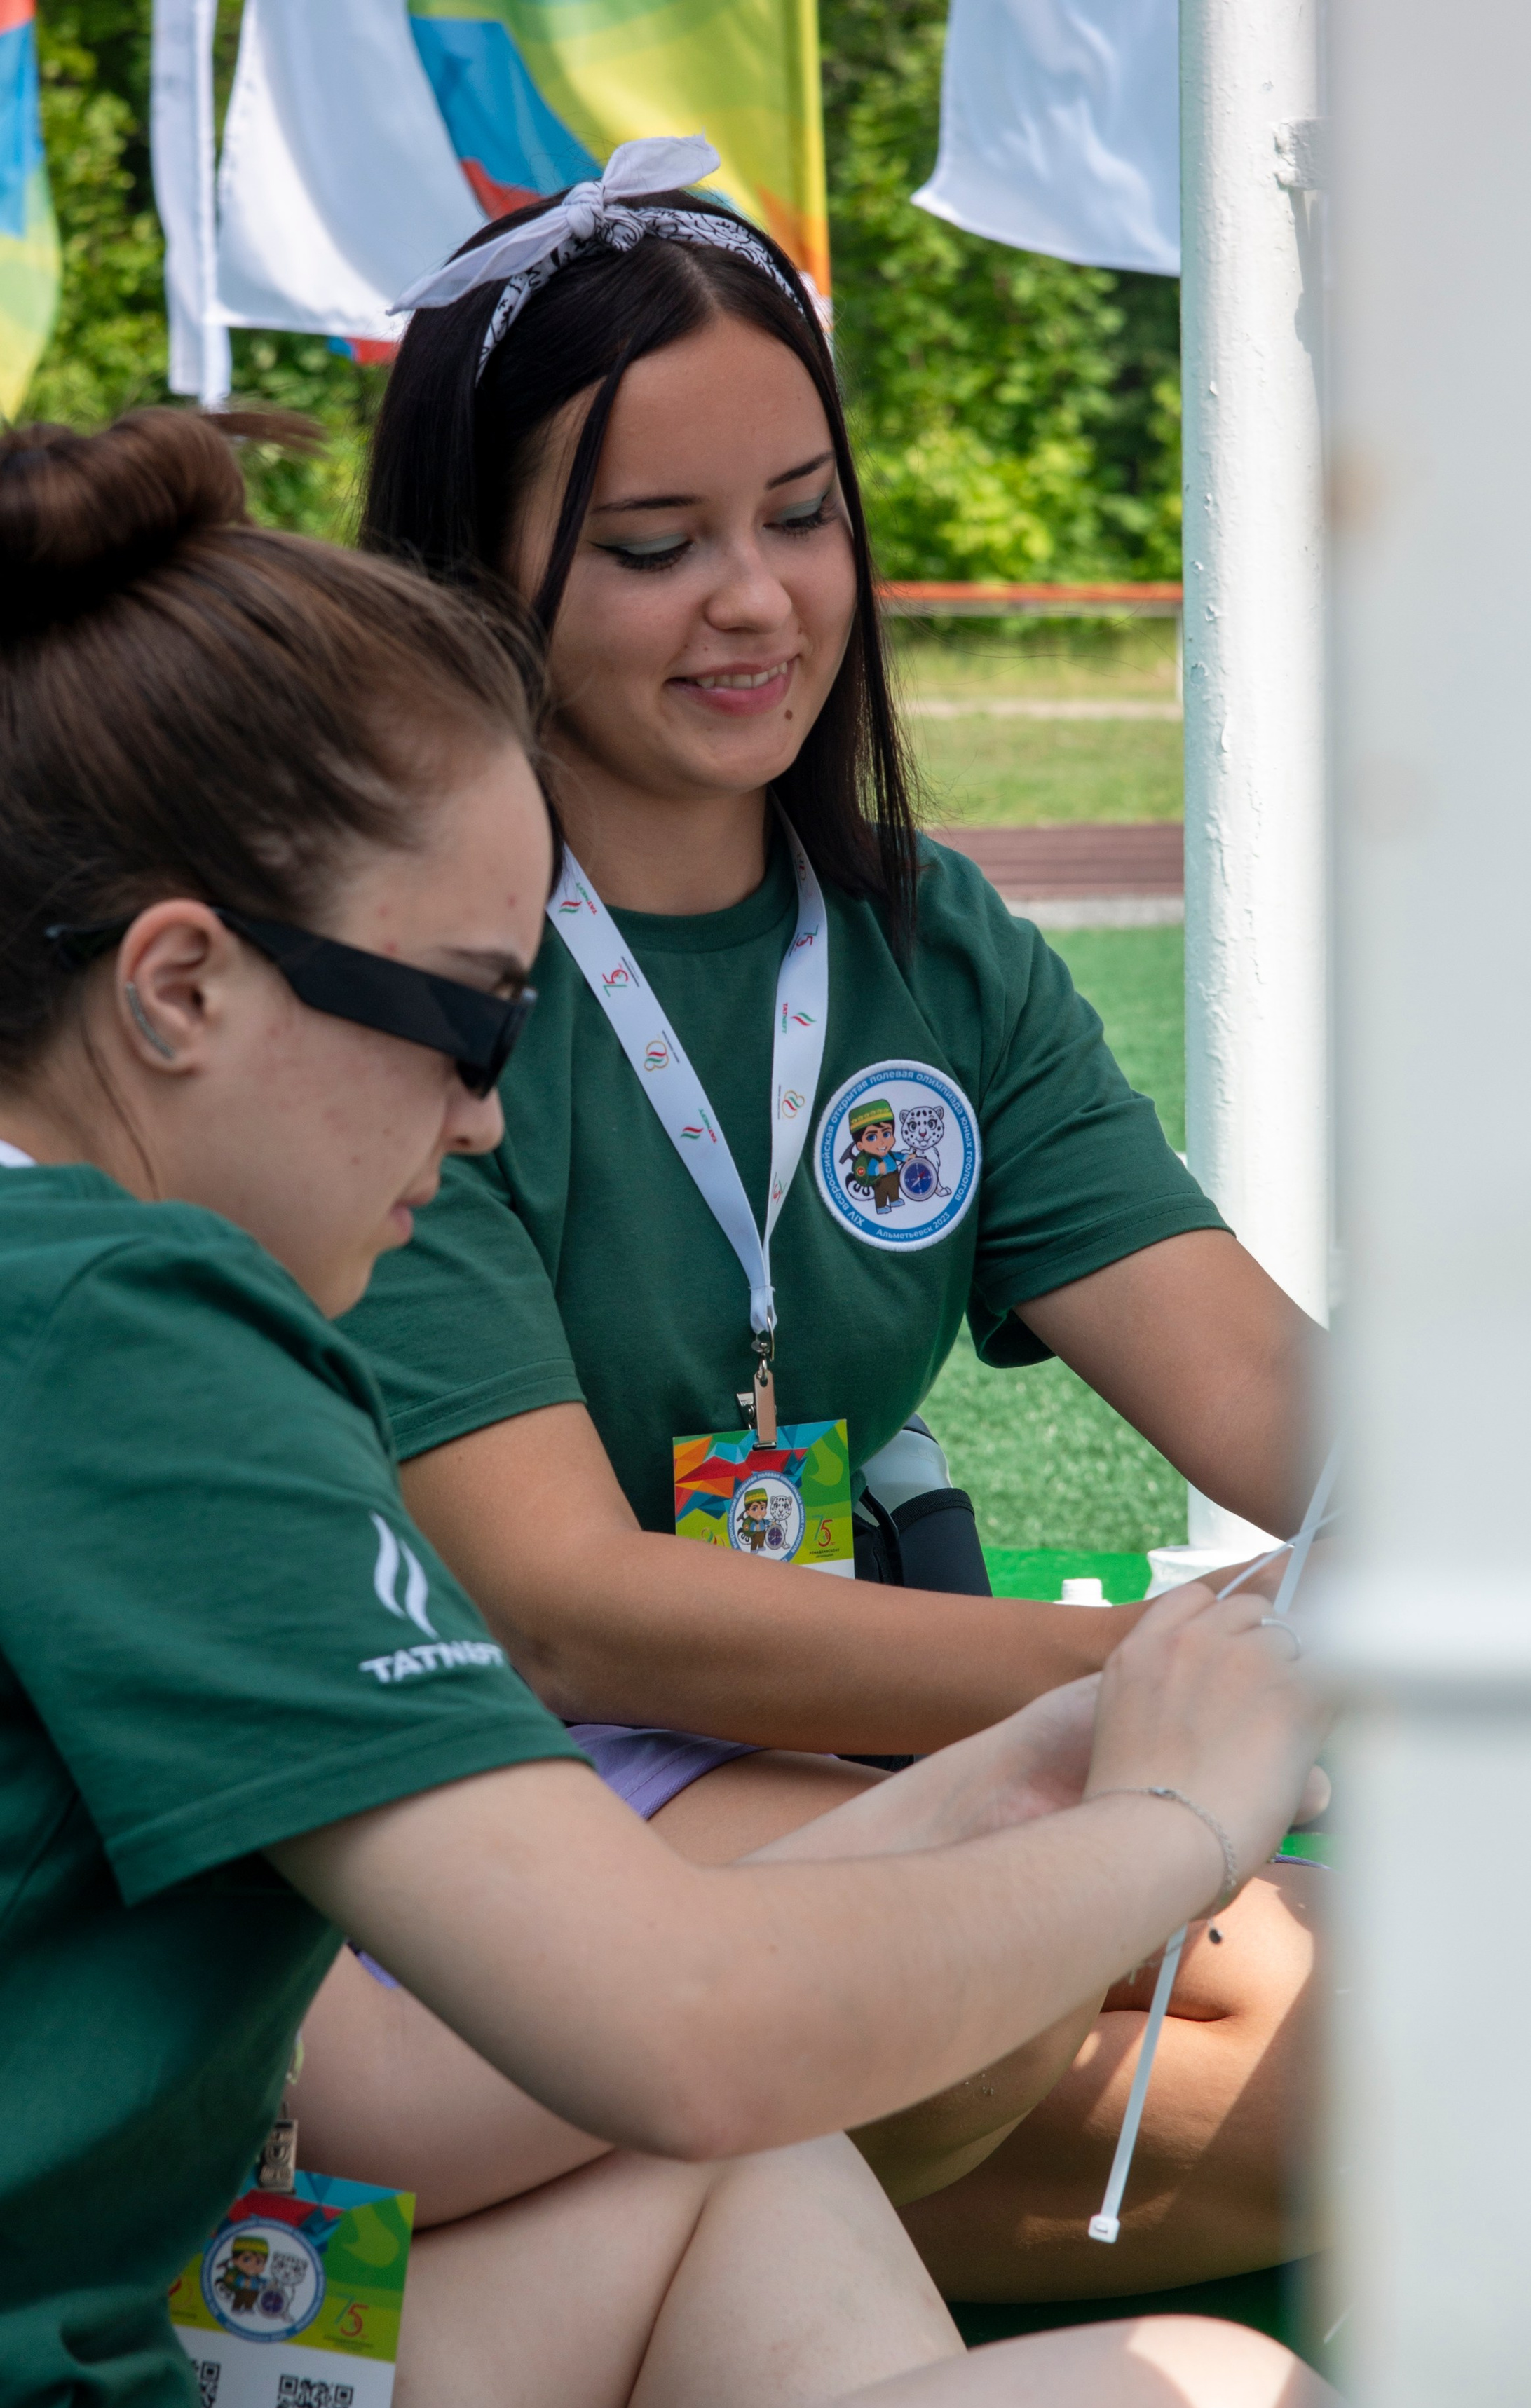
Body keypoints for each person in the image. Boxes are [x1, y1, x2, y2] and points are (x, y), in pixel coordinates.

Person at [0, 409, 1345, 2408]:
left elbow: (392, 2095)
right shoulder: (126, 1334)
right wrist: (1183, 1819)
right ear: (180, 989)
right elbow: (680, 2033)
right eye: (469, 1015)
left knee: (724, 2183)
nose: (489, 1110)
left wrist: (1022, 1769)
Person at [327, 142, 1328, 2299]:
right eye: (653, 546)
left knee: (1352, 2028)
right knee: (1336, 2043)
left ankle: (621, 2269)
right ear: (476, 580)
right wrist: (1143, 1690)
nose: (760, 599)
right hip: (483, 1770)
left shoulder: (918, 941)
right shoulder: (395, 974)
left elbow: (1253, 1379)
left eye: (802, 514)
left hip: (818, 1739)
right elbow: (571, 1612)